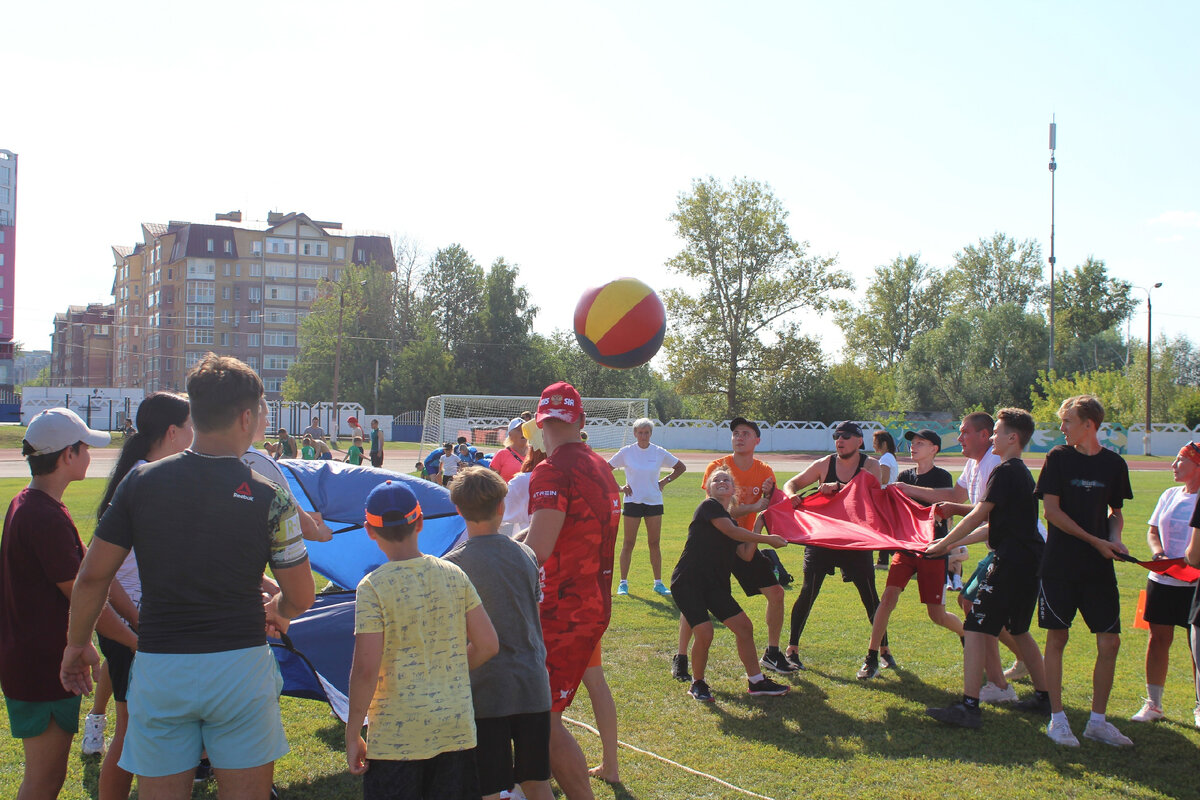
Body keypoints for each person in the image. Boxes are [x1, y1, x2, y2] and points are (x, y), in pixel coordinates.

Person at [61, 354, 316, 798]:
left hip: (162, 668)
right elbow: (301, 595)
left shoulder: (139, 482)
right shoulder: (271, 495)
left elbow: (91, 578)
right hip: (240, 667)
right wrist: (277, 609)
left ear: (195, 415)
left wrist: (76, 643)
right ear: (246, 417)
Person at [2, 408, 134, 800]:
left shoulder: (32, 504)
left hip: (37, 660)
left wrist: (136, 622)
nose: (91, 455)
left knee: (48, 776)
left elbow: (97, 583)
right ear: (66, 455)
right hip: (42, 667)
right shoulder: (44, 516)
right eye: (85, 448)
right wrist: (135, 642)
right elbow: (86, 595)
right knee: (44, 780)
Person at [345, 479, 499, 798]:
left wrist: (351, 732)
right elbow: (488, 644)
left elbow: (365, 669)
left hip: (395, 739)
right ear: (420, 522)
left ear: (369, 531)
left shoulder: (372, 588)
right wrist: (450, 671)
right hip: (455, 728)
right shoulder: (454, 575)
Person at [92, 392, 194, 799]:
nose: (195, 435)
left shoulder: (141, 474)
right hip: (135, 624)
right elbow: (100, 576)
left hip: (138, 622)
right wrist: (137, 625)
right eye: (191, 427)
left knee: (136, 730)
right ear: (172, 433)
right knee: (130, 733)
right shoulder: (146, 481)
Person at [522, 381, 620, 800]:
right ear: (579, 421)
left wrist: (491, 562)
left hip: (563, 609)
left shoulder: (550, 470)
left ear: (541, 424)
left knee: (543, 720)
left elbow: (537, 550)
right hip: (592, 601)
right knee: (544, 713)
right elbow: (555, 530)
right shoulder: (600, 465)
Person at [923, 408, 1050, 728]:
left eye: (996, 432)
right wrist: (949, 544)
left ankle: (969, 706)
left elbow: (978, 515)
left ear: (1013, 438)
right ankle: (1045, 697)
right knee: (1018, 629)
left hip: (1010, 561)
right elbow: (993, 524)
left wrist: (941, 545)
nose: (991, 436)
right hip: (1029, 559)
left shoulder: (1006, 471)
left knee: (977, 627)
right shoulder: (1018, 472)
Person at [443, 467, 554, 800]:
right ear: (503, 507)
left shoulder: (451, 566)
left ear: (458, 509)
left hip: (484, 691)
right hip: (532, 685)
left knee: (489, 788)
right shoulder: (527, 555)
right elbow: (532, 621)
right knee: (536, 781)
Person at [895, 412, 1016, 695]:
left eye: (964, 432)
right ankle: (1006, 677)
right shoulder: (974, 464)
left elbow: (988, 517)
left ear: (984, 435)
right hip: (998, 548)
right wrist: (906, 489)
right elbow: (957, 498)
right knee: (972, 605)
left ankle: (1008, 683)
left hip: (1015, 549)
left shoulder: (994, 465)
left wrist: (947, 544)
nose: (959, 438)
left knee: (982, 612)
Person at [1037, 395, 1134, 748]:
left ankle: (1097, 722)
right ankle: (1058, 720)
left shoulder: (1114, 464)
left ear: (1088, 425)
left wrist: (1115, 538)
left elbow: (1116, 511)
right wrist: (1096, 540)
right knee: (1058, 639)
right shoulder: (1058, 458)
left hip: (1098, 569)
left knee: (1110, 642)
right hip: (1060, 565)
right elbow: (1051, 512)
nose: (1061, 429)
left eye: (1067, 422)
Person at [676, 417, 792, 681]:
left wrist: (765, 511)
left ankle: (772, 653)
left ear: (757, 440)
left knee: (776, 592)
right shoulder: (718, 468)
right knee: (694, 599)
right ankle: (681, 657)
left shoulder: (765, 471)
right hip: (715, 544)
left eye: (746, 433)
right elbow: (718, 510)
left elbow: (770, 508)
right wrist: (754, 508)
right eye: (736, 433)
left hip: (745, 541)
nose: (739, 437)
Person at [782, 421, 888, 672]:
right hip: (823, 539)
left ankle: (882, 651)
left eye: (846, 436)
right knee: (808, 591)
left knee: (870, 597)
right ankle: (792, 649)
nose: (839, 440)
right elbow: (791, 485)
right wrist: (791, 496)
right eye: (836, 436)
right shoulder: (824, 464)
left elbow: (876, 498)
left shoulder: (871, 466)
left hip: (855, 540)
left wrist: (838, 488)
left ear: (859, 441)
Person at [858, 429, 963, 680]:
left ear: (934, 449)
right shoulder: (905, 476)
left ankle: (967, 635)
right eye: (912, 443)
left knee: (936, 615)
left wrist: (906, 490)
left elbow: (944, 502)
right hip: (905, 549)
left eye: (920, 443)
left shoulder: (942, 476)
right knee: (887, 600)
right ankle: (872, 656)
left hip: (933, 550)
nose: (913, 447)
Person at [1131, 442, 1200, 724]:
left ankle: (1199, 706)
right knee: (1157, 639)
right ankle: (1154, 704)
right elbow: (1152, 530)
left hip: (1195, 584)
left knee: (1196, 646)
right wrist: (1157, 553)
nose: (1173, 465)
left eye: (1180, 460)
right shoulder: (1169, 494)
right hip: (1161, 579)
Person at [609, 418, 686, 597]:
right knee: (628, 543)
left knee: (654, 543)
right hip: (632, 502)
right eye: (640, 432)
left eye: (647, 432)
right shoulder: (626, 452)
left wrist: (664, 481)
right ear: (635, 433)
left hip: (654, 502)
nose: (643, 436)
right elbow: (605, 469)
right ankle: (623, 583)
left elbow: (680, 467)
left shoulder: (659, 452)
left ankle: (658, 583)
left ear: (651, 434)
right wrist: (620, 488)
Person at [240, 396, 333, 544]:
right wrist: (319, 533)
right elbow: (302, 524)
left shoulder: (210, 456)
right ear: (248, 417)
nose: (267, 423)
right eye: (265, 416)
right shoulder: (262, 463)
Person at [873, 430, 899, 568]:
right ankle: (882, 561)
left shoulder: (885, 459)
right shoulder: (889, 457)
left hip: (885, 497)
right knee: (883, 529)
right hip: (889, 496)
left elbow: (883, 479)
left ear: (883, 443)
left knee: (882, 530)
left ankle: (899, 557)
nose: (873, 445)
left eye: (875, 442)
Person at [490, 418, 529, 482]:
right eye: (519, 430)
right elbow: (492, 480)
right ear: (510, 434)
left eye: (524, 429)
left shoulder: (534, 453)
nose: (523, 432)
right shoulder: (501, 454)